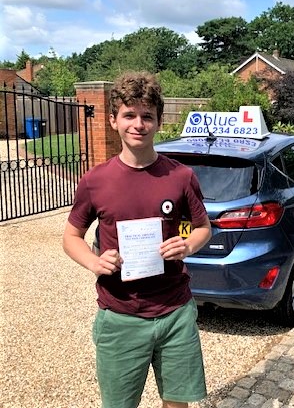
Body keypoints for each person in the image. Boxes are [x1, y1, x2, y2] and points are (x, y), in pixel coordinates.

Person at [63, 71, 211, 408]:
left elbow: (203, 228)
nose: (138, 124)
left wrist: (187, 245)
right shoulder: (95, 181)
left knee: (178, 404)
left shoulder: (181, 176)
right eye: (130, 115)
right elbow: (71, 237)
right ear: (113, 120)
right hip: (120, 315)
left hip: (175, 312)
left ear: (159, 122)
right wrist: (94, 261)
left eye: (147, 116)